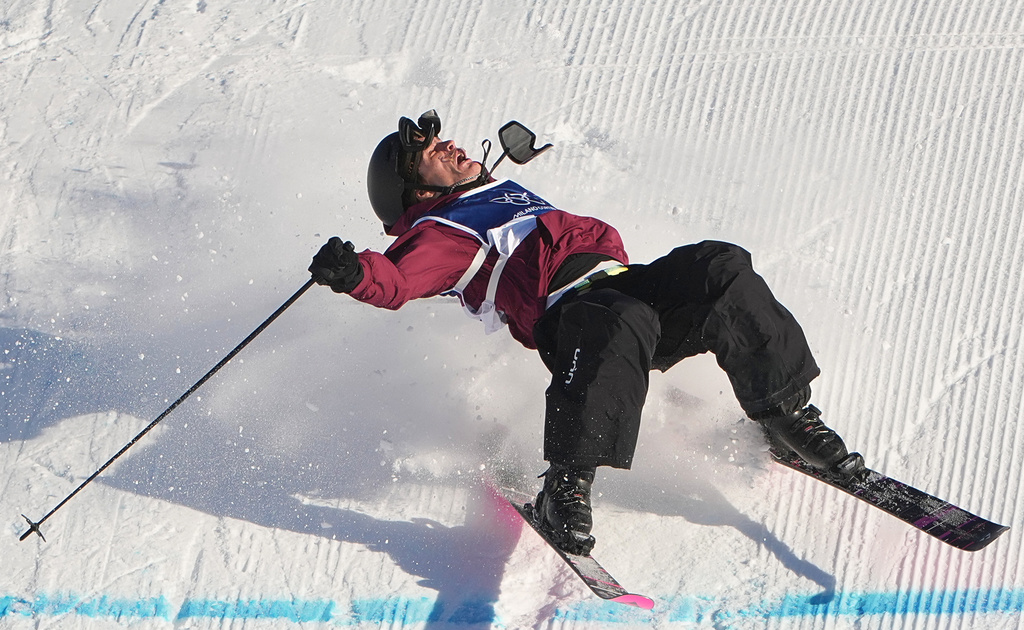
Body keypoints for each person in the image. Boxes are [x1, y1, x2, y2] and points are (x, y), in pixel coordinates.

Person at [308, 109, 865, 556]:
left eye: (445, 139)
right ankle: (565, 486)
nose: (452, 147)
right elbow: (398, 280)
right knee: (619, 319)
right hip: (577, 318)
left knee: (718, 266)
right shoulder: (437, 230)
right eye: (434, 153)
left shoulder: (491, 190)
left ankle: (783, 413)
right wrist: (356, 273)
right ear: (417, 193)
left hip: (629, 285)